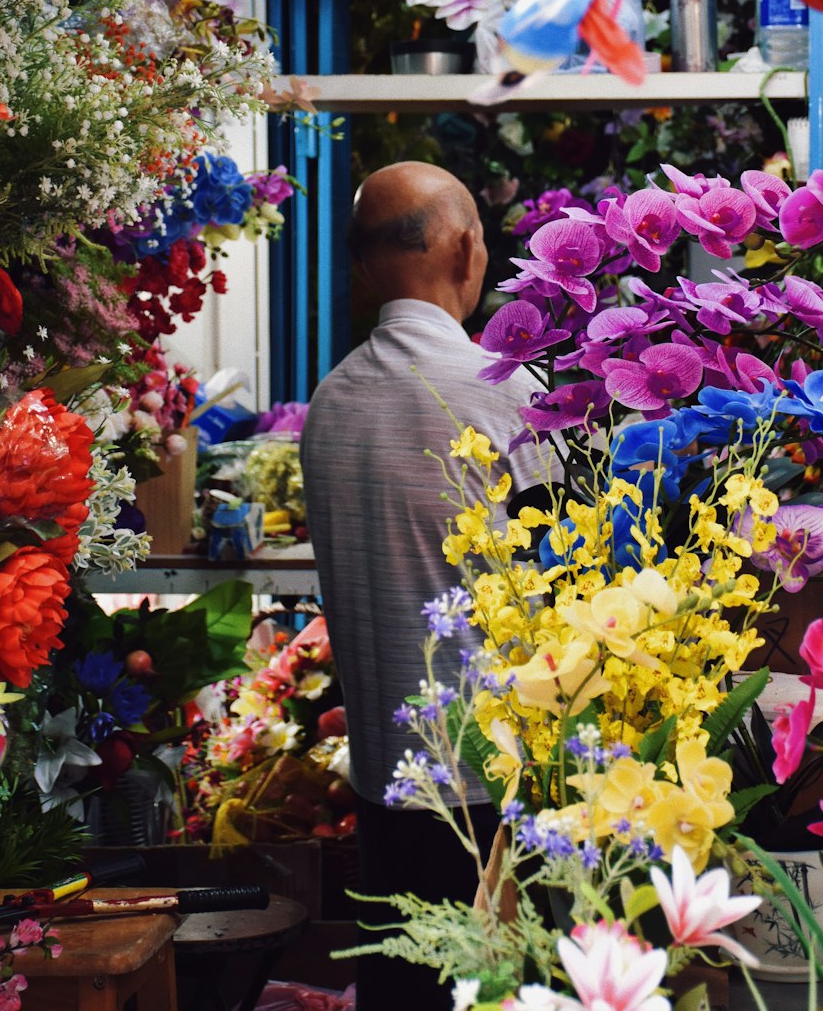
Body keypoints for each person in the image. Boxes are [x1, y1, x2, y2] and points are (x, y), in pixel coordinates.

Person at [301, 161, 548, 1011]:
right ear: (468, 248)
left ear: (366, 268)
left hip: (382, 770)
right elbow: (565, 581)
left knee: (399, 988)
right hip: (492, 787)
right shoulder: (506, 396)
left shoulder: (331, 404)